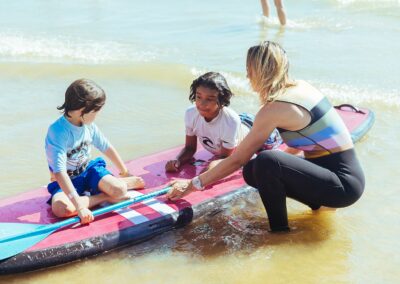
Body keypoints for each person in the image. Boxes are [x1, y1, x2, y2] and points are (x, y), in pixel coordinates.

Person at [167, 41, 365, 232]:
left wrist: (192, 185)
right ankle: (319, 204)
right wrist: (284, 166)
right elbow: (302, 138)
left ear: (260, 71)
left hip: (342, 184)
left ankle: (279, 230)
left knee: (266, 161)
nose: (246, 75)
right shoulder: (300, 88)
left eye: (249, 70)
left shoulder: (274, 108)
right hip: (337, 175)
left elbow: (237, 159)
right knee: (253, 170)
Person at [45, 79, 145, 224]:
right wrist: (79, 207)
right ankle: (104, 196)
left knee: (120, 190)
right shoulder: (57, 131)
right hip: (65, 180)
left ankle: (124, 181)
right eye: (96, 111)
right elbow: (60, 172)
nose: (97, 115)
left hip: (89, 172)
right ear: (82, 109)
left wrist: (124, 170)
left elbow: (106, 146)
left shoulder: (88, 125)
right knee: (62, 210)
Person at [165, 72, 281, 173]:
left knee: (274, 143)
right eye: (198, 97)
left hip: (259, 134)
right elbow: (190, 148)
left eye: (209, 99)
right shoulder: (191, 113)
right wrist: (177, 160)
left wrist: (200, 177)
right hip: (238, 124)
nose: (201, 104)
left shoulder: (230, 121)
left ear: (221, 100)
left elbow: (226, 158)